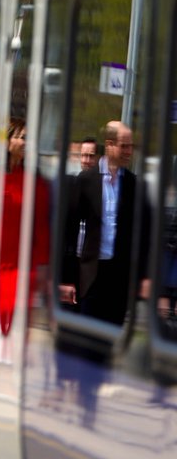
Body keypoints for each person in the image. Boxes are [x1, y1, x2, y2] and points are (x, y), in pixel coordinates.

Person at [0, 117, 49, 335]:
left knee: (12, 322)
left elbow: (39, 224)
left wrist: (42, 262)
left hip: (19, 264)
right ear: (7, 141)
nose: (27, 143)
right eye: (22, 138)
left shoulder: (31, 179)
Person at [64, 120, 140, 325]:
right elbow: (69, 229)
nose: (129, 151)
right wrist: (66, 278)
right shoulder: (86, 180)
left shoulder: (133, 184)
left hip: (119, 280)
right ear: (109, 145)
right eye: (124, 145)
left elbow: (139, 234)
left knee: (109, 342)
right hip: (91, 277)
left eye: (131, 146)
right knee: (87, 338)